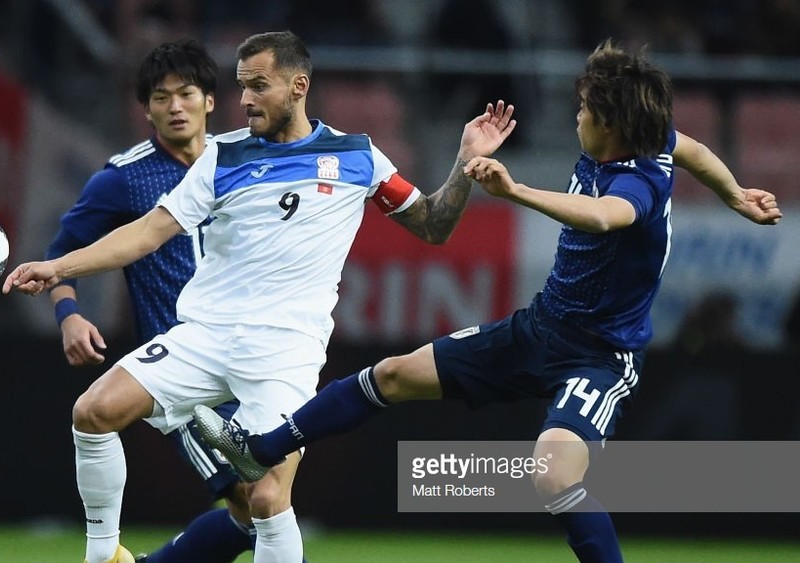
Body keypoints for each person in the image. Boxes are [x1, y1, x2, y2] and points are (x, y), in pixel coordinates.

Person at [193, 38, 783, 563]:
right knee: (392, 375)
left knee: (553, 475)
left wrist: (516, 190)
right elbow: (691, 147)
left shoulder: (639, 181)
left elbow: (605, 215)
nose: (576, 116)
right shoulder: (643, 138)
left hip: (599, 356)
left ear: (611, 122)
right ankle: (261, 447)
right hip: (539, 329)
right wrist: (734, 193)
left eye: (584, 109)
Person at [3, 30, 517, 563]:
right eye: (242, 85)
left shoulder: (358, 156)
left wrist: (465, 160)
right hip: (205, 336)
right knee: (93, 412)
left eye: (259, 86)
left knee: (267, 500)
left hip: (285, 352)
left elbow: (432, 224)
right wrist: (59, 267)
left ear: (299, 87)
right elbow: (151, 231)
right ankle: (102, 556)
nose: (245, 99)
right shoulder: (223, 155)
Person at [43, 38, 256, 563]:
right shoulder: (123, 178)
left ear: (210, 100)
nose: (175, 107)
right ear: (146, 110)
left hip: (252, 356)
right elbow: (61, 253)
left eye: (186, 94)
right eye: (161, 97)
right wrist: (69, 315)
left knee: (256, 510)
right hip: (181, 369)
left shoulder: (243, 161)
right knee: (257, 497)